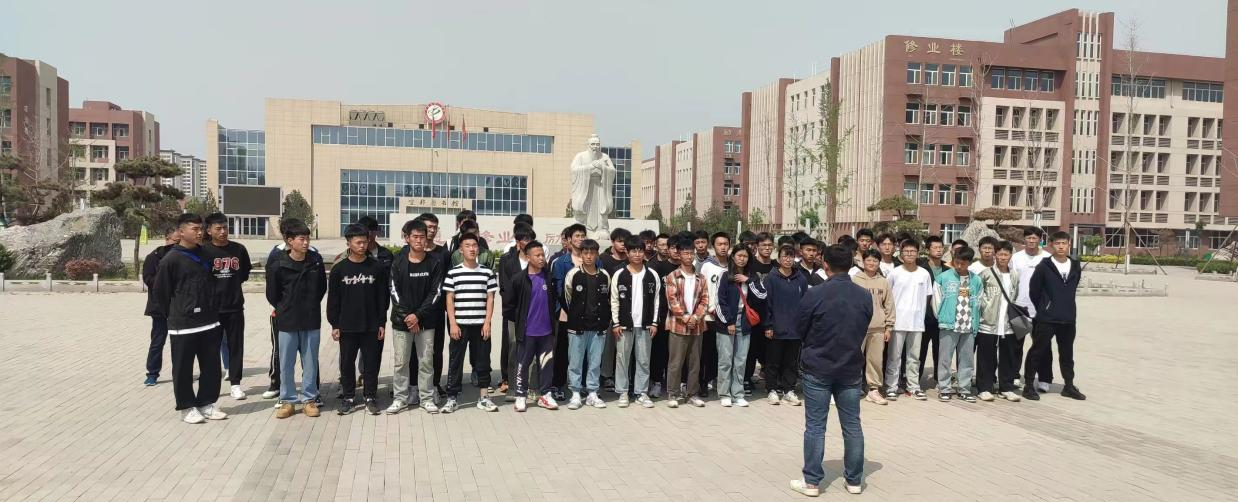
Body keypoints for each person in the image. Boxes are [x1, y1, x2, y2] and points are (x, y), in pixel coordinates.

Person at [789, 245, 871, 497]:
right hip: (850, 366)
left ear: (825, 264)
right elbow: (864, 325)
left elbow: (799, 327)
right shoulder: (864, 295)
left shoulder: (815, 294)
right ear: (851, 264)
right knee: (852, 425)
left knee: (815, 426)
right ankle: (854, 480)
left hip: (818, 366)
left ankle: (812, 481)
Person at [152, 213, 228, 424]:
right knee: (183, 368)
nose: (200, 232)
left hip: (209, 321)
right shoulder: (171, 260)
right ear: (181, 231)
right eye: (194, 229)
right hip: (183, 325)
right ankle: (186, 407)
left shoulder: (206, 254)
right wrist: (176, 314)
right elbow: (161, 294)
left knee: (211, 367)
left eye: (201, 228)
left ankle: (206, 403)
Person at [267, 218, 328, 419]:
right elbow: (272, 294)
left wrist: (310, 305)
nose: (306, 242)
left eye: (307, 238)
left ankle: (309, 399)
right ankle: (288, 400)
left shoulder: (315, 262)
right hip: (287, 321)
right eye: (301, 239)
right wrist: (285, 307)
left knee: (310, 362)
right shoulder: (278, 264)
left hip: (311, 319)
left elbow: (321, 288)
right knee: (286, 363)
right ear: (289, 241)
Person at [327, 223, 389, 415]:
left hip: (371, 325)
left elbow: (383, 298)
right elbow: (333, 299)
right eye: (358, 242)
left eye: (365, 242)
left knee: (371, 363)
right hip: (347, 326)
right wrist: (335, 324)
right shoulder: (339, 269)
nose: (362, 246)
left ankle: (370, 396)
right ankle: (348, 397)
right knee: (347, 363)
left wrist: (381, 322)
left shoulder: (377, 267)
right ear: (348, 243)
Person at [387, 219, 445, 414]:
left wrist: (418, 316)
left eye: (422, 236)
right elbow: (394, 291)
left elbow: (436, 293)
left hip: (426, 323)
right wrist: (408, 317)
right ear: (407, 238)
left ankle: (426, 398)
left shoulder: (434, 263)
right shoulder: (398, 262)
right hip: (401, 322)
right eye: (415, 237)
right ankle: (400, 398)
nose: (419, 240)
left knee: (426, 361)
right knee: (401, 362)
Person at [1023, 231, 1086, 401]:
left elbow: (1072, 288)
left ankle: (1069, 385)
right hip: (1047, 318)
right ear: (1051, 245)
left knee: (1067, 354)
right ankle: (1028, 385)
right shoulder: (1044, 266)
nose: (1061, 246)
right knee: (1038, 351)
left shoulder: (1075, 265)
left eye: (1064, 243)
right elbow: (1034, 290)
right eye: (1057, 243)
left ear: (1069, 244)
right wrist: (1045, 307)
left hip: (1068, 318)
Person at [442, 232, 499, 413]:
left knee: (483, 361)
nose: (472, 249)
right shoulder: (453, 273)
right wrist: (452, 323)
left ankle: (484, 397)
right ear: (460, 249)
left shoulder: (487, 272)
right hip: (460, 325)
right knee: (455, 361)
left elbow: (490, 299)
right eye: (467, 246)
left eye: (474, 245)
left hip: (481, 325)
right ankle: (452, 398)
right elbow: (449, 299)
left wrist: (487, 322)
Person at [503, 240, 560, 412]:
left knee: (546, 364)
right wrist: (520, 322)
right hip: (527, 332)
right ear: (528, 257)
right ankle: (521, 395)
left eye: (543, 255)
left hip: (546, 332)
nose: (542, 258)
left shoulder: (549, 277)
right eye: (537, 255)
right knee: (523, 364)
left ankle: (545, 395)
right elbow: (508, 305)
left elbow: (555, 299)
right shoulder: (519, 279)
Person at [203, 213, 252, 400]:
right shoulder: (203, 251)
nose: (223, 231)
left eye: (225, 227)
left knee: (236, 346)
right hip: (211, 309)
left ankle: (236, 384)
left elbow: (244, 274)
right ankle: (212, 385)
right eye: (218, 228)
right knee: (210, 349)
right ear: (209, 231)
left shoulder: (239, 249)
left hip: (234, 307)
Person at [609, 235, 661, 408]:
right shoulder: (619, 274)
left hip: (645, 325)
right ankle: (623, 392)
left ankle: (641, 392)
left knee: (644, 360)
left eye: (640, 251)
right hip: (624, 325)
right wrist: (616, 323)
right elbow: (614, 300)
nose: (637, 254)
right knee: (622, 359)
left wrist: (654, 322)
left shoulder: (652, 275)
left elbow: (656, 301)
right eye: (633, 251)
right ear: (627, 252)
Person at [562, 239, 612, 409]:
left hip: (598, 327)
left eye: (592, 253)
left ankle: (592, 393)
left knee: (595, 362)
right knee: (575, 362)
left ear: (597, 254)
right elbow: (567, 298)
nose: (589, 256)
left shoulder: (604, 275)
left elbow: (607, 299)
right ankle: (575, 393)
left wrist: (604, 320)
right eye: (586, 253)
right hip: (577, 326)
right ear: (581, 255)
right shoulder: (573, 274)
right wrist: (575, 315)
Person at [932, 246, 983, 402]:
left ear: (970, 263)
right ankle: (944, 388)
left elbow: (979, 302)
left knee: (967, 359)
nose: (959, 266)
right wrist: (942, 317)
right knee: (945, 358)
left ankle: (964, 389)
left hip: (968, 325)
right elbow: (936, 301)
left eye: (963, 263)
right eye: (957, 262)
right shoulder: (943, 278)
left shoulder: (976, 280)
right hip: (948, 324)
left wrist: (975, 320)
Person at [664, 237, 709, 408]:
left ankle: (692, 393)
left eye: (691, 253)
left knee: (694, 363)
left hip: (696, 326)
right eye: (685, 253)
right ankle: (673, 393)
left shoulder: (701, 278)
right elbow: (672, 301)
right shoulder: (673, 276)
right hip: (678, 326)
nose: (689, 256)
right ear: (679, 255)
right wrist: (685, 317)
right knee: (676, 362)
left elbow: (705, 300)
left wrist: (695, 318)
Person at [715, 245, 761, 408]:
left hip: (745, 322)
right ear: (733, 257)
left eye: (745, 256)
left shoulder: (752, 276)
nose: (742, 259)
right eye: (739, 255)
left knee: (740, 360)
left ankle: (738, 394)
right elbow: (720, 301)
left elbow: (762, 295)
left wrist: (748, 281)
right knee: (725, 360)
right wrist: (729, 322)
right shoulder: (725, 275)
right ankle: (724, 394)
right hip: (727, 322)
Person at [886, 239, 933, 401]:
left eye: (913, 251)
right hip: (898, 322)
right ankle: (891, 386)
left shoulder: (924, 273)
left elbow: (927, 296)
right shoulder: (895, 273)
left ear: (918, 253)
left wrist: (919, 313)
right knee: (894, 357)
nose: (910, 254)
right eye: (906, 251)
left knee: (914, 357)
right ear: (901, 254)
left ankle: (913, 386)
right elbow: (888, 296)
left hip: (917, 322)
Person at [763, 244, 808, 406]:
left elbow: (805, 304)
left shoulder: (800, 279)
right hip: (776, 328)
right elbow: (767, 304)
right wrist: (768, 325)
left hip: (795, 329)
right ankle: (772, 389)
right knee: (773, 361)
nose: (788, 259)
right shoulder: (771, 278)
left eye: (791, 256)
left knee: (791, 362)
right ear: (779, 258)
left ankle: (789, 390)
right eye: (785, 256)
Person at [550, 223, 590, 400]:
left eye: (583, 235)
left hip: (588, 314)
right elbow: (558, 290)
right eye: (577, 236)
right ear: (569, 239)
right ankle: (558, 385)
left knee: (585, 351)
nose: (580, 239)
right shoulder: (561, 262)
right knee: (563, 351)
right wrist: (569, 310)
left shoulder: (594, 260)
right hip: (566, 314)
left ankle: (582, 384)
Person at [977, 240, 1021, 402]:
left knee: (1008, 357)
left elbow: (1015, 295)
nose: (1003, 257)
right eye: (1000, 254)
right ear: (995, 255)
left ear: (1010, 256)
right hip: (988, 323)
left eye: (1006, 254)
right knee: (986, 357)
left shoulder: (1014, 275)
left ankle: (1006, 388)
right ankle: (984, 387)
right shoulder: (986, 273)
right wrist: (985, 310)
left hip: (1007, 323)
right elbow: (979, 295)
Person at [1011, 226, 1053, 391]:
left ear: (1040, 240)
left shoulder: (1047, 258)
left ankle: (1044, 378)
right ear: (1024, 239)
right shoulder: (1016, 258)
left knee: (1043, 346)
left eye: (1035, 238)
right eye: (1028, 237)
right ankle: (1014, 375)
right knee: (1016, 344)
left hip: (1041, 311)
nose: (1031, 240)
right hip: (1020, 307)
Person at [497, 224, 535, 398]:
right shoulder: (507, 260)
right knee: (513, 348)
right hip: (514, 313)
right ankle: (512, 387)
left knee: (532, 349)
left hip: (534, 313)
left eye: (531, 238)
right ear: (518, 241)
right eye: (525, 239)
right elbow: (504, 287)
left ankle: (531, 387)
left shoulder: (536, 259)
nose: (528, 241)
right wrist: (514, 306)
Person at [852, 250, 894, 405]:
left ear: (879, 263)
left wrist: (889, 327)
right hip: (858, 328)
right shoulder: (855, 279)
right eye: (869, 260)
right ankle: (851, 387)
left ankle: (873, 390)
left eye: (875, 261)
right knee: (854, 359)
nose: (872, 263)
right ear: (863, 262)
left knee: (875, 361)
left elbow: (889, 304)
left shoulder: (883, 281)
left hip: (878, 328)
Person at [417, 213, 451, 399]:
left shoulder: (443, 253)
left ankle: (435, 383)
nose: (431, 230)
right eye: (428, 227)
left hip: (436, 311)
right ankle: (413, 385)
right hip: (415, 311)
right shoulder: (408, 252)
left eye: (434, 227)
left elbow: (447, 283)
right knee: (413, 351)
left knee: (436, 349)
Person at [142, 226, 179, 386]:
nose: (178, 244)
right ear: (167, 239)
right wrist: (165, 280)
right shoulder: (153, 257)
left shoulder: (183, 256)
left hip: (179, 307)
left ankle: (181, 372)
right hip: (159, 308)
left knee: (180, 343)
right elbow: (148, 279)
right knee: (158, 341)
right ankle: (152, 373)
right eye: (176, 241)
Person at [649, 233, 683, 398]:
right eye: (673, 248)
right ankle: (656, 382)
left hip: (681, 318)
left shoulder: (686, 268)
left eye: (679, 248)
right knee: (659, 351)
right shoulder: (657, 267)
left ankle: (677, 384)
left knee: (678, 353)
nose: (676, 251)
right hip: (662, 316)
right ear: (667, 249)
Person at [698, 232, 730, 398]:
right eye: (719, 244)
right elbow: (702, 290)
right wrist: (708, 308)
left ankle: (720, 382)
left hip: (726, 317)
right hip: (709, 316)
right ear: (713, 246)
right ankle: (703, 383)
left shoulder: (732, 266)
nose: (723, 247)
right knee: (707, 352)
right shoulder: (707, 266)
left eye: (725, 244)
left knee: (723, 353)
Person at [744, 232, 776, 395]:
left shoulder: (776, 266)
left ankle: (771, 382)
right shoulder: (750, 266)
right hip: (753, 314)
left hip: (771, 315)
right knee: (750, 350)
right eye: (763, 245)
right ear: (757, 246)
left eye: (770, 245)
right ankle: (746, 379)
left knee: (770, 351)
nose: (767, 248)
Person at [916, 235, 946, 387]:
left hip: (942, 316)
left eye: (940, 247)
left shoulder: (947, 269)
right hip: (924, 316)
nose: (938, 250)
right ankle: (915, 380)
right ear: (928, 250)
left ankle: (939, 379)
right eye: (935, 247)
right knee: (920, 350)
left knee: (940, 350)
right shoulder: (920, 268)